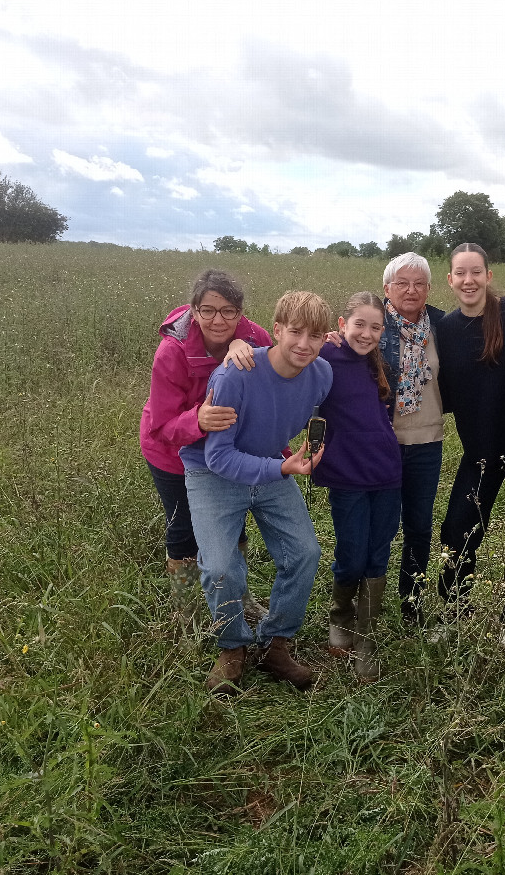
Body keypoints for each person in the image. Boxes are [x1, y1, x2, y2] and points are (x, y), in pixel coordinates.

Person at [181, 290, 334, 693]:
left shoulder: (322, 374)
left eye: (316, 336)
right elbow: (218, 456)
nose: (304, 344)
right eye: (296, 332)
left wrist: (292, 459)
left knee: (305, 553)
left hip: (270, 464)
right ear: (277, 330)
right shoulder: (236, 374)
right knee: (219, 567)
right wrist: (282, 466)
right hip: (213, 475)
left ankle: (275, 645)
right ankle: (232, 647)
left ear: (326, 339)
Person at [435, 243, 505, 649]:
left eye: (476, 272)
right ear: (449, 279)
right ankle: (453, 613)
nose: (469, 280)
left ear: (488, 275)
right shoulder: (445, 329)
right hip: (479, 450)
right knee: (458, 529)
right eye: (460, 273)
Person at [139, 269, 271, 619]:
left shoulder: (256, 337)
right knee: (182, 527)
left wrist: (332, 340)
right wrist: (197, 420)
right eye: (208, 310)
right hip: (171, 452)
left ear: (240, 312)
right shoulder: (172, 351)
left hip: (228, 453)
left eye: (229, 310)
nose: (218, 320)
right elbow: (162, 424)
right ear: (194, 311)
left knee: (234, 520)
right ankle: (185, 612)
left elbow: (283, 370)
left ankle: (242, 600)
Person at [314, 292, 402, 680]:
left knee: (378, 554)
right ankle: (341, 617)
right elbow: (281, 354)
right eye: (359, 325)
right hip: (346, 474)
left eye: (375, 327)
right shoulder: (324, 357)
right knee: (352, 551)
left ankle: (365, 636)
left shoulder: (378, 363)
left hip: (386, 473)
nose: (366, 334)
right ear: (341, 324)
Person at [377, 252, 447, 623]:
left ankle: (413, 603)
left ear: (429, 289)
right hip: (384, 441)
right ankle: (366, 604)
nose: (411, 290)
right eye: (402, 283)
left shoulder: (442, 326)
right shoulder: (373, 326)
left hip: (427, 441)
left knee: (419, 526)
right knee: (382, 526)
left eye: (419, 283)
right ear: (387, 288)